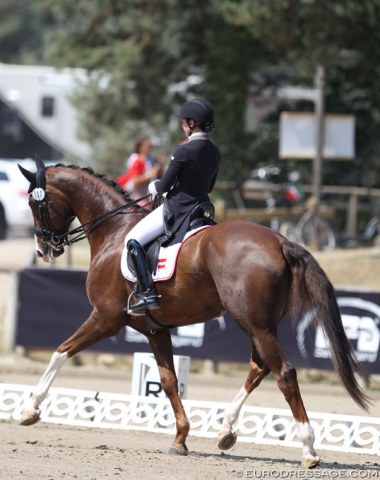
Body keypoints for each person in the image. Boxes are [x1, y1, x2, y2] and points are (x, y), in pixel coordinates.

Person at [124, 98, 221, 314]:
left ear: (192, 123)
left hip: (178, 209)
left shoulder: (183, 151)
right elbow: (210, 185)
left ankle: (147, 293)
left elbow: (164, 185)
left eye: (184, 122)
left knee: (133, 240)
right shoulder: (215, 151)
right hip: (203, 208)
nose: (182, 126)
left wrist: (153, 187)